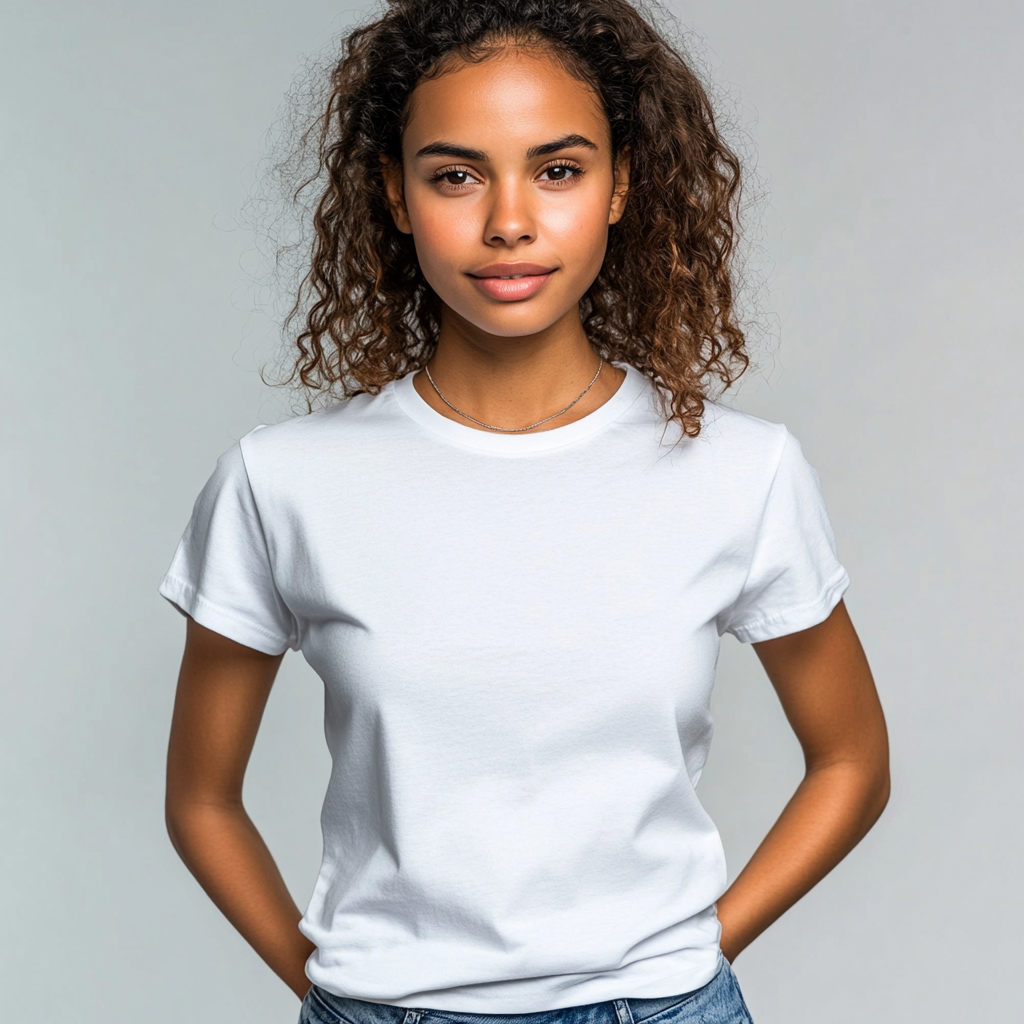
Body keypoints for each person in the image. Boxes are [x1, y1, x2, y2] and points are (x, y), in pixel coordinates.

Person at [160, 2, 890, 1022]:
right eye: (456, 174)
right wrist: (349, 995)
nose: (508, 219)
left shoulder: (741, 470)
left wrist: (689, 955)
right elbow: (200, 799)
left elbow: (851, 761)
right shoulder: (283, 482)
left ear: (621, 182)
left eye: (558, 169)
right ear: (396, 193)